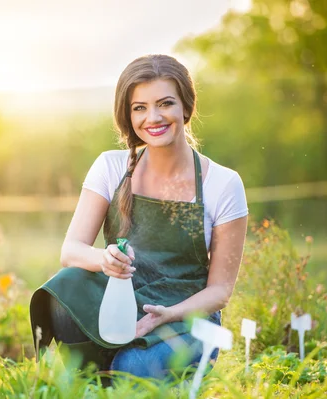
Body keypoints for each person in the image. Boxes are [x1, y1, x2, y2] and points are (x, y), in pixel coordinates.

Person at [29, 54, 248, 381]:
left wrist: (167, 315)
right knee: (61, 291)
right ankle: (89, 381)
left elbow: (220, 292)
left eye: (165, 103)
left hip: (184, 317)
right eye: (140, 107)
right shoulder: (111, 166)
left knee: (133, 369)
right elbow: (71, 251)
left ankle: (116, 372)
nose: (154, 117)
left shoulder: (223, 184)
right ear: (127, 115)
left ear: (186, 107)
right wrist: (105, 259)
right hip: (120, 304)